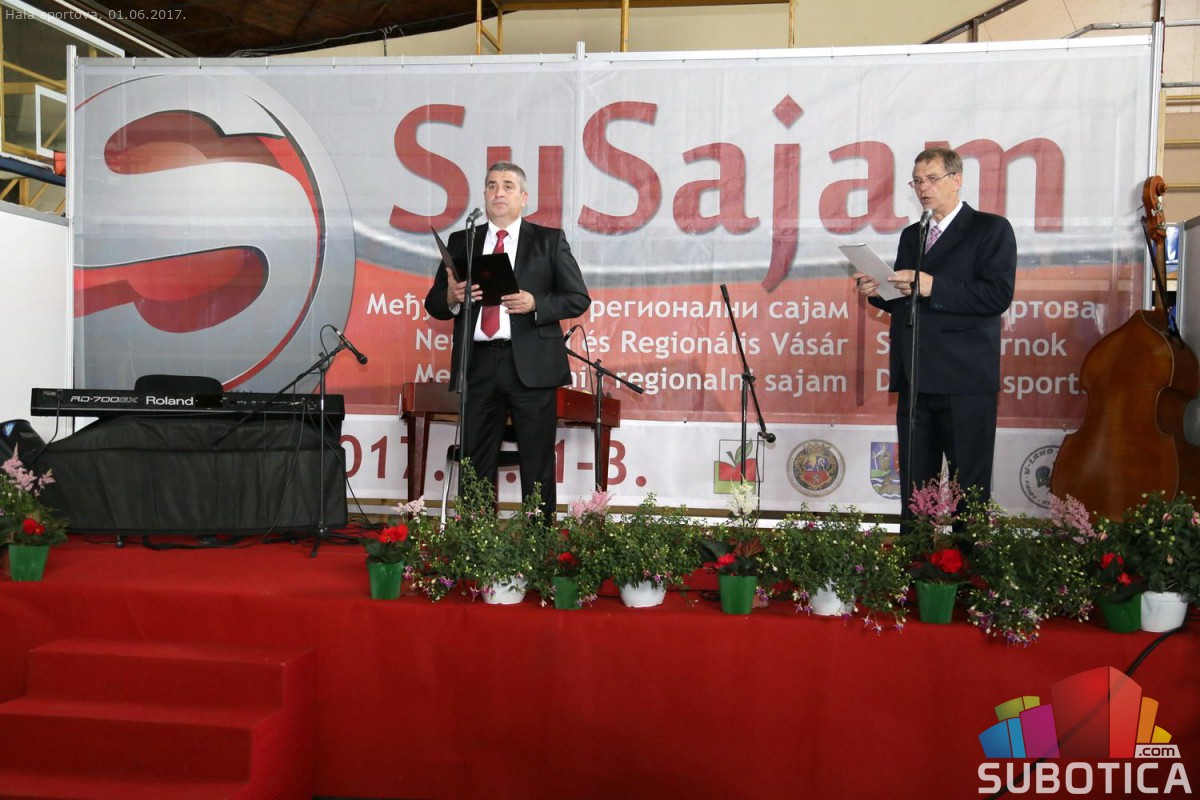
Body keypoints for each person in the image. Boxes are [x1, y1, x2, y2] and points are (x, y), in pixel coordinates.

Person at [853, 147, 1016, 525]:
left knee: (968, 489)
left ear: (957, 180)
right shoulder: (914, 235)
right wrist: (878, 291)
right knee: (915, 489)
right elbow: (907, 299)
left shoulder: (990, 229)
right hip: (916, 378)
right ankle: (915, 558)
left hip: (965, 381)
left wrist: (933, 286)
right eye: (917, 181)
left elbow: (997, 296)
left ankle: (967, 560)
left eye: (931, 179)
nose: (923, 188)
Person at [425, 161, 591, 525]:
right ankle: (476, 541)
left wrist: (536, 304)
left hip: (531, 367)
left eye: (507, 186)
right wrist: (452, 297)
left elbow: (578, 298)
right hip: (478, 365)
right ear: (485, 195)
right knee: (475, 461)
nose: (498, 192)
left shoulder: (548, 241)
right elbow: (434, 304)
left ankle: (538, 542)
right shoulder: (462, 242)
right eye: (491, 185)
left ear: (524, 197)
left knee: (537, 460)